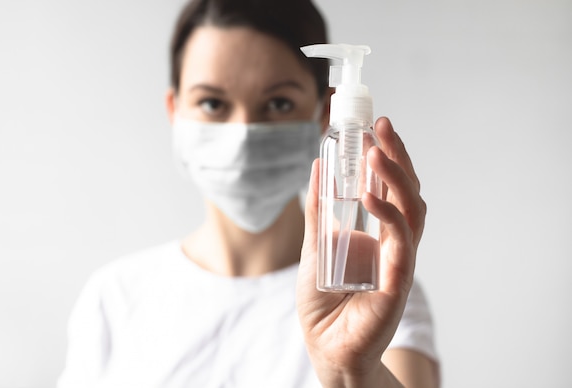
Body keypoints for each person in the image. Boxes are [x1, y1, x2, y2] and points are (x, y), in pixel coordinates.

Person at [58, 0, 439, 387]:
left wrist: (352, 370)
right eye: (212, 103)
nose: (243, 134)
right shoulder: (116, 297)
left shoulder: (369, 289)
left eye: (278, 103)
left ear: (324, 114)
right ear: (175, 110)